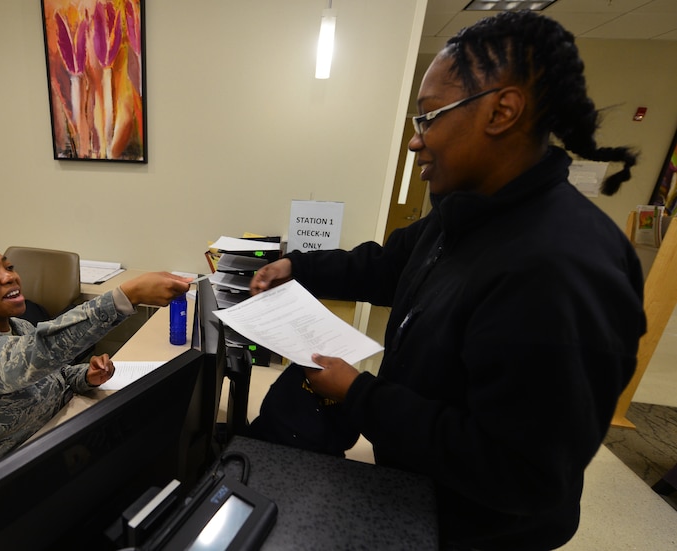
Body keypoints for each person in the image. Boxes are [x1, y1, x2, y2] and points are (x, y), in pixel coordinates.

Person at [249, 11, 645, 551]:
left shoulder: (561, 269)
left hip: (478, 530)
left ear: (502, 110)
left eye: (429, 118)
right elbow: (390, 266)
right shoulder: (470, 210)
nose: (416, 142)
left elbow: (521, 471)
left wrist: (360, 394)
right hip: (419, 492)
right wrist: (301, 267)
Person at [0, 232, 191, 500]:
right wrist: (126, 296)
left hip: (38, 461)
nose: (9, 276)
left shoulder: (19, 327)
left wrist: (85, 375)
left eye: (9, 267)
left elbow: (53, 375)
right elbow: (31, 356)